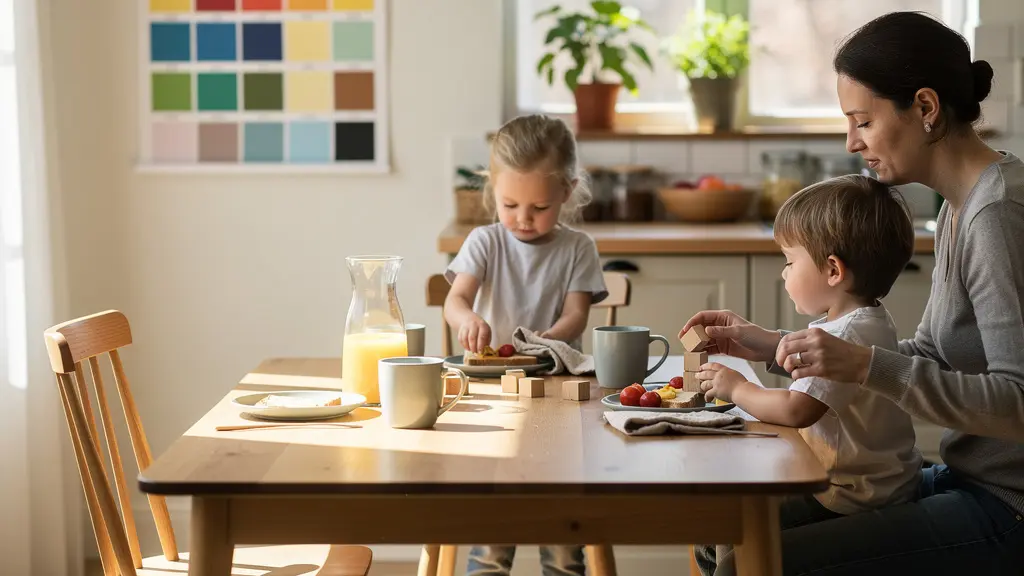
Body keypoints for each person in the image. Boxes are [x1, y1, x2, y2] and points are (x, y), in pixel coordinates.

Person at [684, 11, 1024, 575]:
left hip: (1006, 504)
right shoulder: (962, 208)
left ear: (925, 108)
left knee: (758, 561)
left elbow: (1016, 404)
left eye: (861, 121)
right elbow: (937, 358)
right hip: (963, 475)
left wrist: (865, 365)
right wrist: (777, 347)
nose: (850, 142)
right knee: (723, 535)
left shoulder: (996, 215)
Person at [694, 175, 924, 574]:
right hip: (865, 483)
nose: (784, 274)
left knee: (731, 540)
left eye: (789, 261)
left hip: (855, 496)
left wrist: (737, 387)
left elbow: (797, 408)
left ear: (833, 270)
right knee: (717, 530)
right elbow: (807, 371)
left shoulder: (845, 335)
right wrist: (764, 342)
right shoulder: (863, 321)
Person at [444, 113, 607, 576]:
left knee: (561, 526)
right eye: (510, 204)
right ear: (491, 189)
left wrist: (551, 339)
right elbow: (455, 300)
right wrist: (467, 317)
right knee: (497, 519)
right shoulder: (485, 242)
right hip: (496, 399)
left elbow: (577, 314)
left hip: (560, 398)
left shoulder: (578, 248)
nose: (523, 219)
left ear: (567, 193)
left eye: (539, 208)